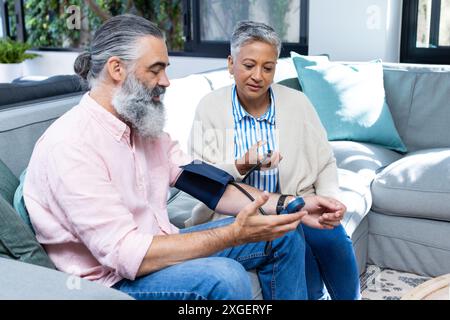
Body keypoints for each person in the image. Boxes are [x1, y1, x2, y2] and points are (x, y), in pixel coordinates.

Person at [23, 14, 345, 300]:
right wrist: (233, 234)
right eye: (156, 70)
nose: (166, 81)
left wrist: (290, 206)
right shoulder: (71, 146)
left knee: (282, 234)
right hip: (114, 281)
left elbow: (209, 185)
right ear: (116, 69)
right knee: (225, 277)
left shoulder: (143, 129)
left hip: (156, 249)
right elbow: (126, 254)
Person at [189, 21, 361, 300]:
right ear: (231, 64)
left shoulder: (297, 103)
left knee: (333, 235)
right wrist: (244, 164)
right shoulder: (209, 107)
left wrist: (331, 200)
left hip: (295, 203)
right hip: (238, 214)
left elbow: (325, 160)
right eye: (248, 65)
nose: (258, 75)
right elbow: (199, 178)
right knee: (296, 241)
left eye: (267, 67)